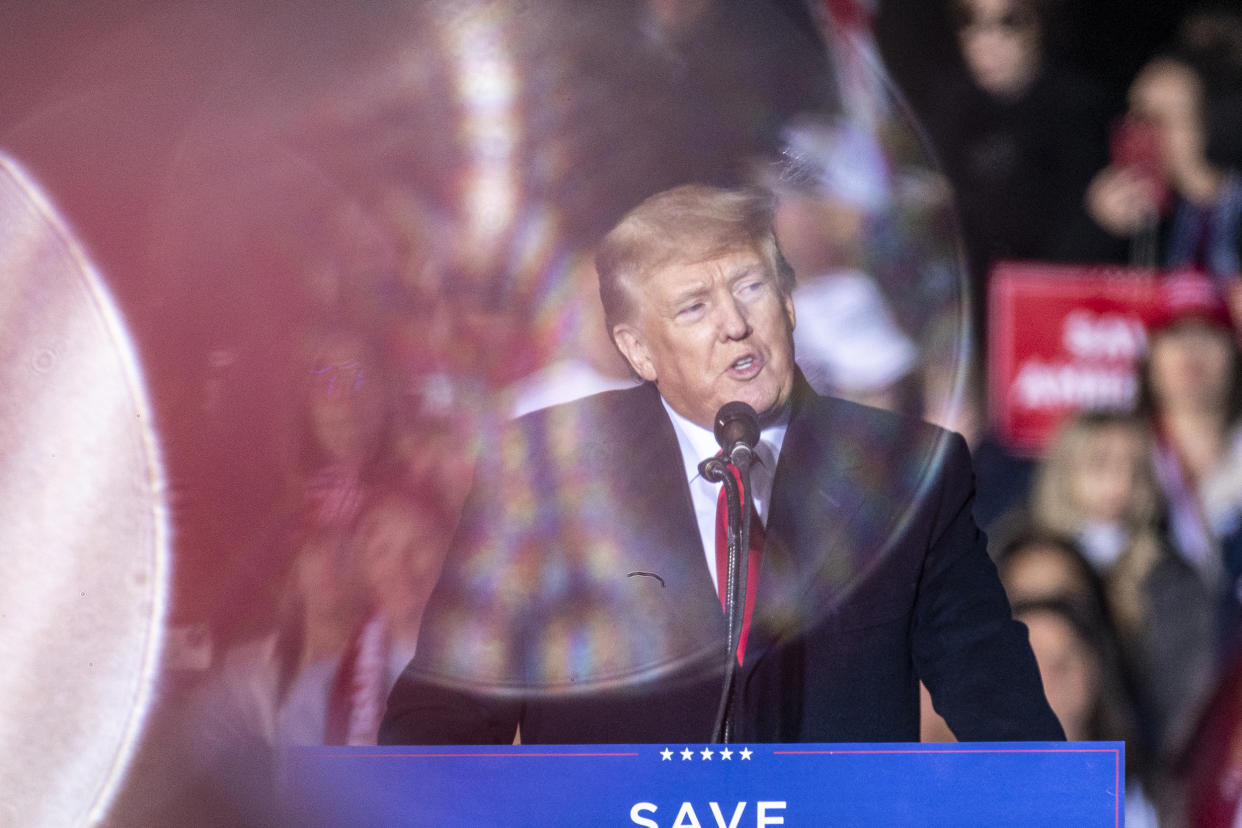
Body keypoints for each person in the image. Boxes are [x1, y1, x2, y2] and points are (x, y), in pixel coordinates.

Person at [379, 184, 1062, 745]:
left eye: (751, 288)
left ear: (791, 303)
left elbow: (1001, 711)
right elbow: (446, 714)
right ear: (638, 350)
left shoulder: (908, 472)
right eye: (694, 306)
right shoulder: (547, 471)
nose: (734, 324)